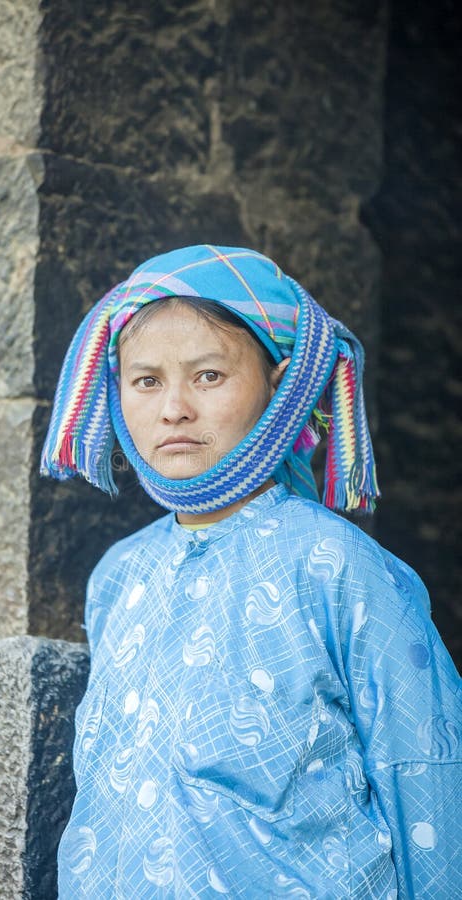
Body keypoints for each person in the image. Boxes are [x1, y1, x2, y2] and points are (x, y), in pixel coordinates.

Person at [41, 245, 461, 898]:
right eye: (146, 380)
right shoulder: (118, 579)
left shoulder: (339, 567)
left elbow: (429, 780)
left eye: (208, 376)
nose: (173, 408)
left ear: (280, 381)